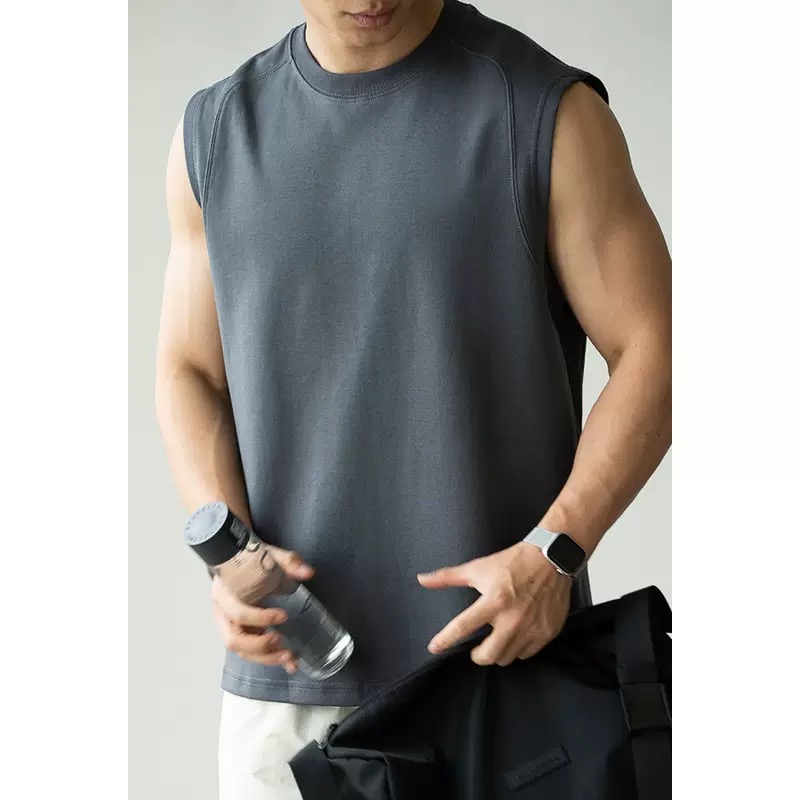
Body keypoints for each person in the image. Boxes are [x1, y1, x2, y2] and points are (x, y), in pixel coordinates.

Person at [156, 1, 671, 797]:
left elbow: (659, 351)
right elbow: (190, 370)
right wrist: (229, 557)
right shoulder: (218, 130)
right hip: (290, 692)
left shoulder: (546, 112)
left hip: (504, 686)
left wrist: (556, 553)